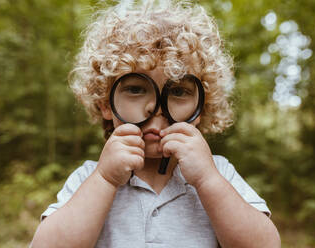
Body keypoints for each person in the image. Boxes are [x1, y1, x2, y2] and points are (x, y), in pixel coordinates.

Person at [30, 0, 281, 247]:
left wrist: (207, 180)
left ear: (200, 108)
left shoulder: (218, 173)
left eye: (179, 91)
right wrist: (105, 179)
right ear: (106, 103)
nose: (155, 106)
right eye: (136, 89)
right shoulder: (90, 178)